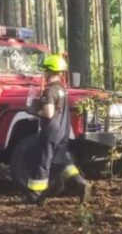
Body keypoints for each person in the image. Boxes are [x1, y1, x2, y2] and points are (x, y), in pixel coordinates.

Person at [24, 54, 90, 205]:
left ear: (48, 71)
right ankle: (81, 184)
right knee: (62, 161)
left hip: (51, 132)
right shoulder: (62, 89)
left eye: (45, 71)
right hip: (63, 131)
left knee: (43, 162)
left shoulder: (50, 91)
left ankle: (35, 195)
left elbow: (49, 113)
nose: (44, 74)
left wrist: (34, 110)